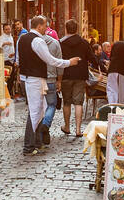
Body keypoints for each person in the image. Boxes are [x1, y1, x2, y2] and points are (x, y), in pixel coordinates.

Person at [17, 15, 80, 155]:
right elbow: (51, 60)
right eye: (45, 25)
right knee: (35, 112)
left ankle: (36, 143)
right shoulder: (37, 41)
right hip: (35, 79)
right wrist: (69, 62)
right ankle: (28, 146)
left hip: (28, 78)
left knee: (40, 110)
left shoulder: (23, 38)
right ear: (39, 26)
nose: (47, 28)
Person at [58, 19, 91, 137]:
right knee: (79, 102)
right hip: (80, 75)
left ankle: (67, 127)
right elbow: (92, 58)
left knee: (66, 102)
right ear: (77, 29)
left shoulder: (60, 43)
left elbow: (57, 59)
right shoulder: (84, 42)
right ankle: (78, 130)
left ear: (66, 29)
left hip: (66, 75)